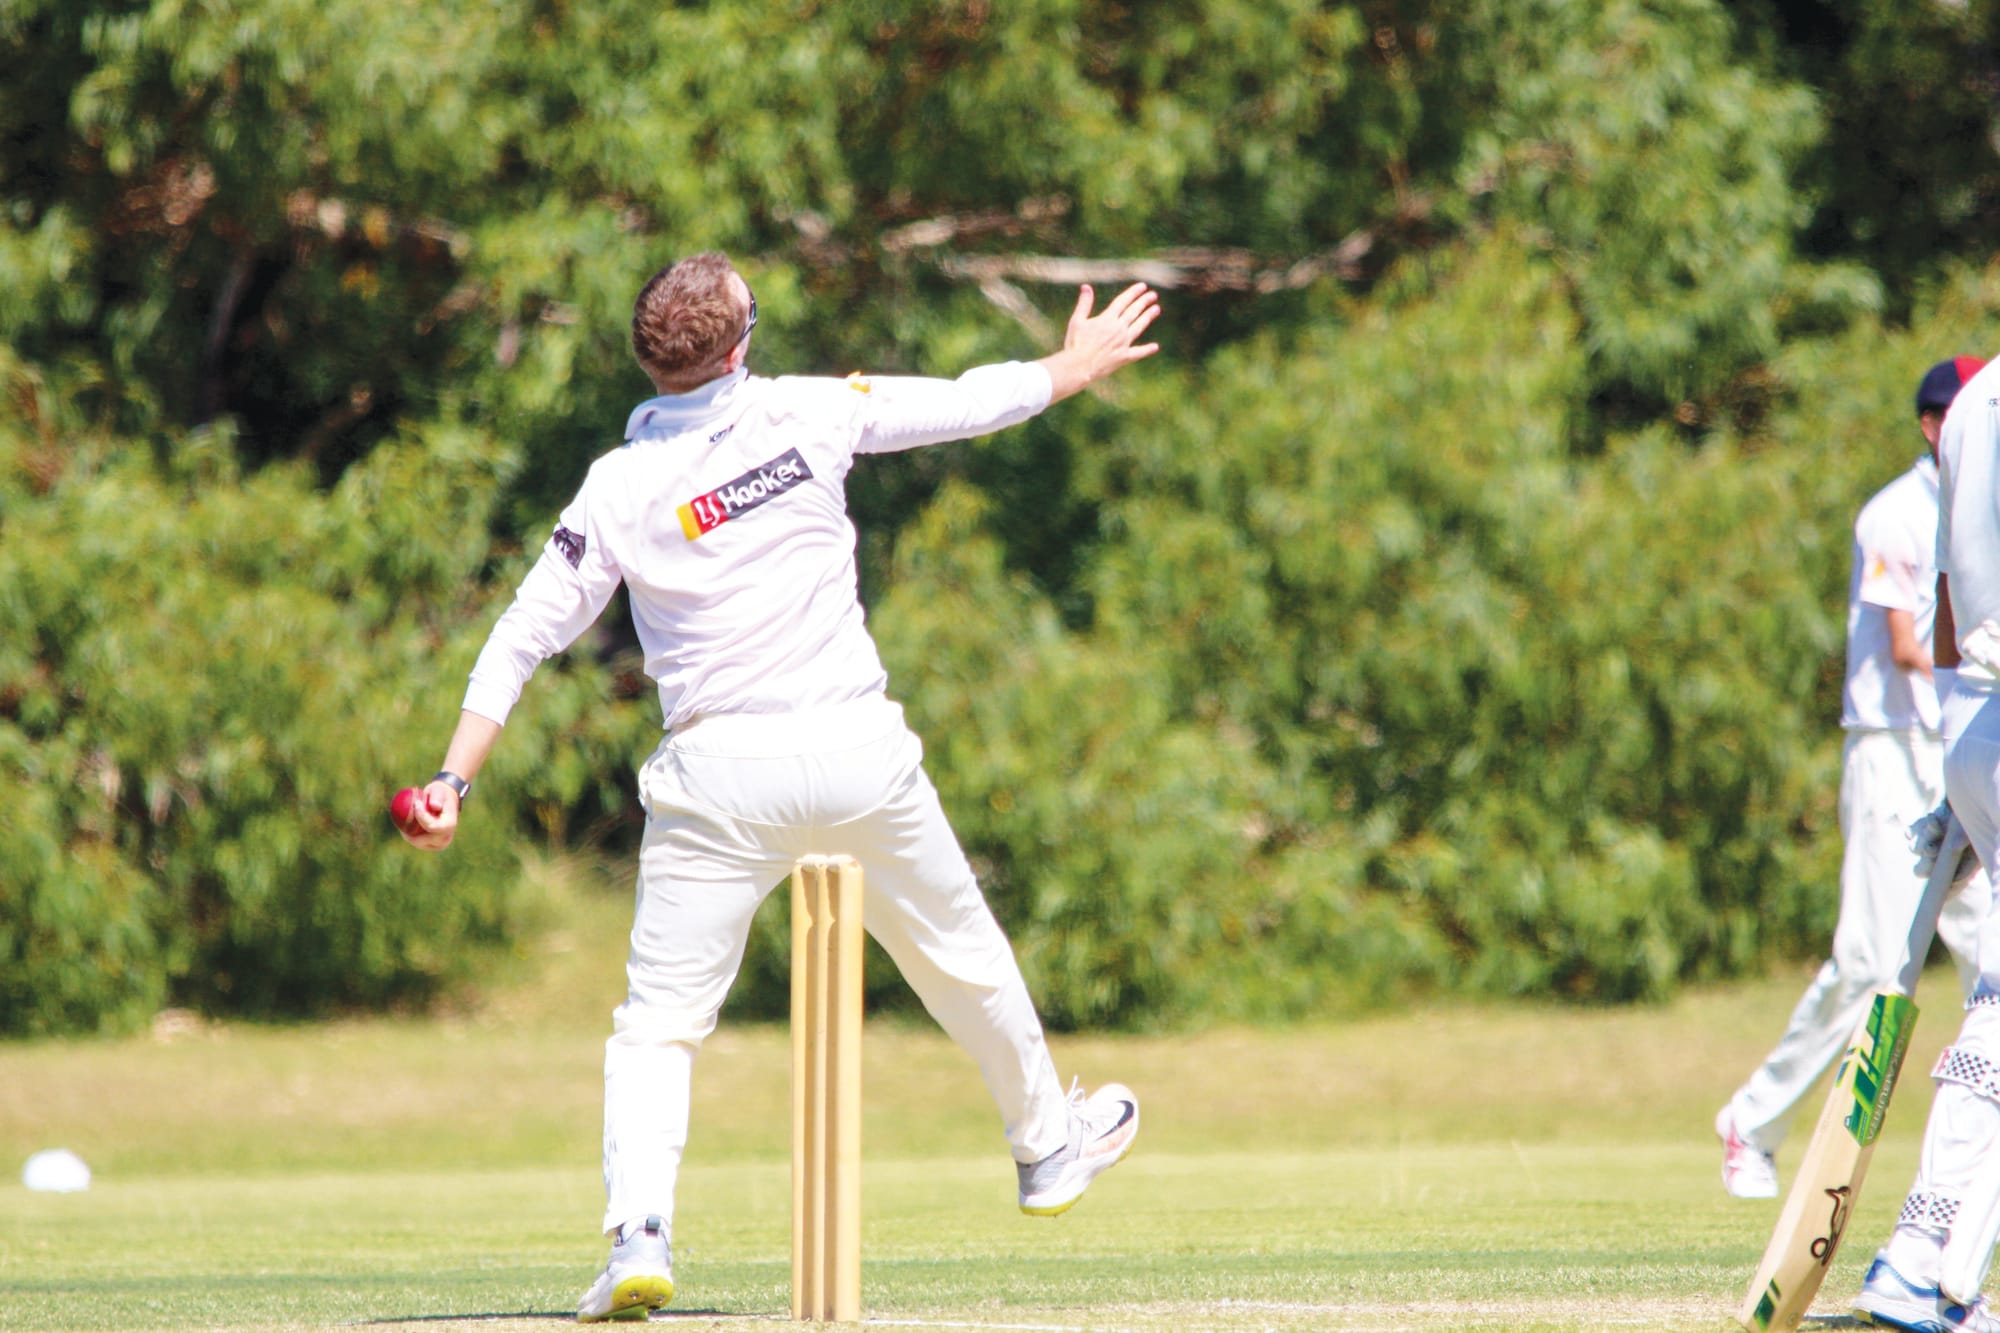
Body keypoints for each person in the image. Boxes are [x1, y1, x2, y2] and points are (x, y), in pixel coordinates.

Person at [394, 253, 1160, 1321]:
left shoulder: (616, 485)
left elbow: (522, 637)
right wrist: (1070, 366)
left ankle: (638, 1239)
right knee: (963, 956)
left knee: (657, 1025)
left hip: (719, 780)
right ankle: (1044, 1148)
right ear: (740, 344)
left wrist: (451, 779)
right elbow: (969, 403)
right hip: (855, 754)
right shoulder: (810, 412)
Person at [1715, 357, 1993, 1199]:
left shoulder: (1974, 503)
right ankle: (1751, 1122)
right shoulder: (1894, 515)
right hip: (1892, 747)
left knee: (1988, 953)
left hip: (1959, 744)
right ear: (1931, 425)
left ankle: (1961, 1180)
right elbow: (1914, 649)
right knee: (1869, 959)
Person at [1852, 353, 2000, 1331]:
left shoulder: (1975, 400)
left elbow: (1948, 611)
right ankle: (1925, 1253)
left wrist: (1963, 763)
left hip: (1974, 717)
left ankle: (1928, 1248)